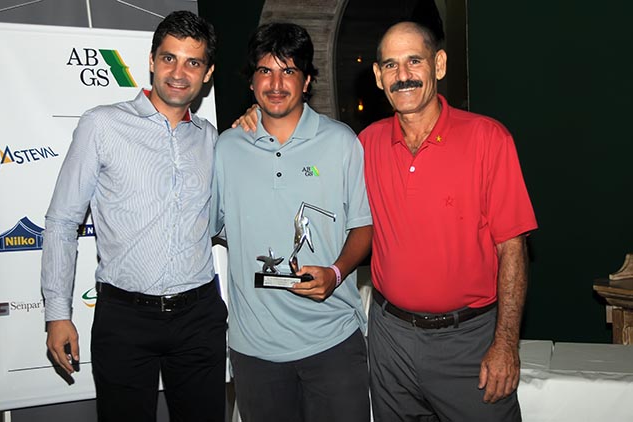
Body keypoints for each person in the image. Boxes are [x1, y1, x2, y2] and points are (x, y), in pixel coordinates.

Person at [41, 10, 226, 422]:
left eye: (193, 62)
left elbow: (223, 220)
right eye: (169, 58)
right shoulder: (102, 125)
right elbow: (62, 221)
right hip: (124, 319)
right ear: (151, 60)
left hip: (199, 316)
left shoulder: (213, 140)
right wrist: (57, 313)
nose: (179, 73)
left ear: (208, 72)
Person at [359, 21, 537, 421]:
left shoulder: (489, 139)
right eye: (390, 65)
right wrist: (257, 119)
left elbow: (512, 248)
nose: (402, 76)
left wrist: (506, 344)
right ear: (377, 76)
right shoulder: (364, 145)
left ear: (438, 65)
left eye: (413, 61)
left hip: (468, 343)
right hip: (390, 342)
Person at [211, 22, 372, 422]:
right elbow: (207, 227)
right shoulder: (227, 148)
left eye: (289, 71)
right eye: (265, 71)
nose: (276, 83)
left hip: (333, 341)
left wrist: (335, 273)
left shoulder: (341, 142)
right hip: (255, 351)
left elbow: (364, 225)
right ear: (251, 82)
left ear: (307, 81)